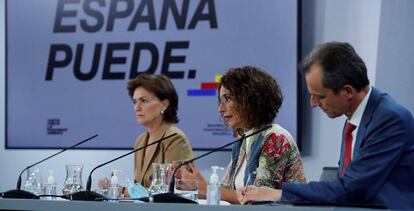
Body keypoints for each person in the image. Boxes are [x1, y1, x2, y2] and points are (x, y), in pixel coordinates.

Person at [237, 42, 414, 210]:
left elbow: (351, 190)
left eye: (319, 96)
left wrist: (278, 193)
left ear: (348, 92)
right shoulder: (356, 118)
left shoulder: (389, 119)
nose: (313, 103)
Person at [180, 66, 306, 204]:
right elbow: (226, 191)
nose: (220, 109)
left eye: (227, 99)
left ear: (251, 99)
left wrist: (206, 187)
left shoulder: (276, 139)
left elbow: (258, 199)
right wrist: (196, 187)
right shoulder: (243, 140)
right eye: (220, 101)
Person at [127, 74, 193, 188]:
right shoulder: (140, 141)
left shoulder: (175, 139)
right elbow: (139, 186)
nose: (136, 107)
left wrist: (125, 192)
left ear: (164, 105)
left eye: (143, 100)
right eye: (134, 102)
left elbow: (174, 189)